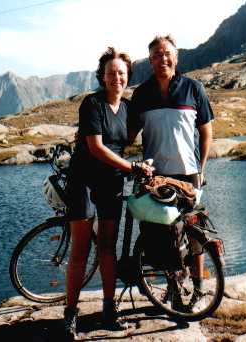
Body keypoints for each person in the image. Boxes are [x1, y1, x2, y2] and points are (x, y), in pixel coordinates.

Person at [63, 47, 152, 339]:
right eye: (112, 73)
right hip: (84, 182)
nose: (117, 78)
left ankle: (108, 311)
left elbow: (125, 139)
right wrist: (131, 167)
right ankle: (70, 315)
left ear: (128, 77)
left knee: (107, 248)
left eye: (122, 73)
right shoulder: (92, 104)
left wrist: (144, 163)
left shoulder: (126, 108)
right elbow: (97, 147)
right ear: (102, 76)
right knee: (80, 250)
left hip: (111, 182)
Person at [128, 34, 214, 308]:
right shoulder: (141, 94)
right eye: (155, 55)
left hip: (188, 173)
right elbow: (128, 135)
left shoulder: (193, 88)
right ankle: (174, 288)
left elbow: (206, 133)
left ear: (175, 58)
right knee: (162, 235)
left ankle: (199, 289)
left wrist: (200, 170)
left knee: (194, 231)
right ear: (150, 61)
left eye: (167, 54)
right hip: (155, 177)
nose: (162, 59)